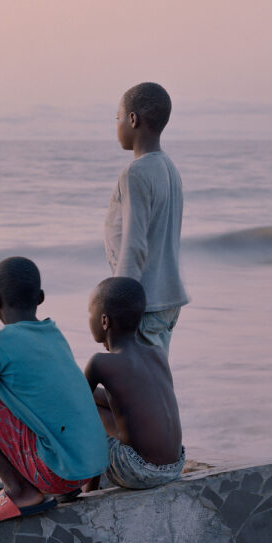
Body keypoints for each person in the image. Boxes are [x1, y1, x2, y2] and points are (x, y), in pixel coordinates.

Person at [0, 257, 108, 522]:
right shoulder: (52, 333)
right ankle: (41, 486)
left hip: (57, 473)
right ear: (40, 297)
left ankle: (20, 490)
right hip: (86, 469)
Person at [105, 81, 188, 352]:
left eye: (117, 117)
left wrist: (117, 308)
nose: (116, 125)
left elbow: (134, 245)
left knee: (136, 389)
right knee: (155, 381)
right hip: (168, 297)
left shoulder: (136, 173)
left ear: (132, 119)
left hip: (144, 304)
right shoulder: (169, 167)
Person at [84, 276, 185, 490]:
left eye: (89, 313)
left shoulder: (100, 363)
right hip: (175, 467)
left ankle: (87, 490)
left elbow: (75, 405)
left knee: (86, 412)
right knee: (95, 405)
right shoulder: (157, 354)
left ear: (104, 321)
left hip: (137, 471)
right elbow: (130, 403)